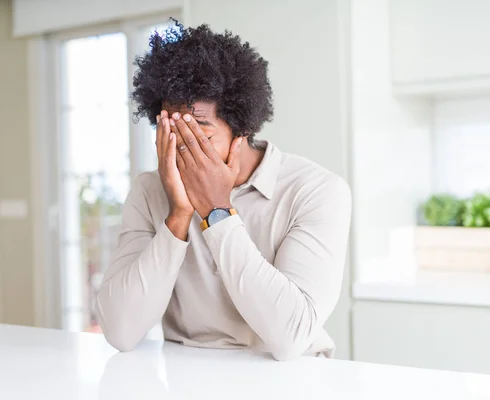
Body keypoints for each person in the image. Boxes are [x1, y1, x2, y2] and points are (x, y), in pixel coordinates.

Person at [96, 21, 352, 361]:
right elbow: (121, 331)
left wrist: (217, 210)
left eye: (199, 132)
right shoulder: (149, 190)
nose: (181, 148)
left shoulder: (315, 191)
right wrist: (179, 215)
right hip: (190, 378)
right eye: (171, 130)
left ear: (242, 129)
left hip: (292, 379)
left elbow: (290, 337)